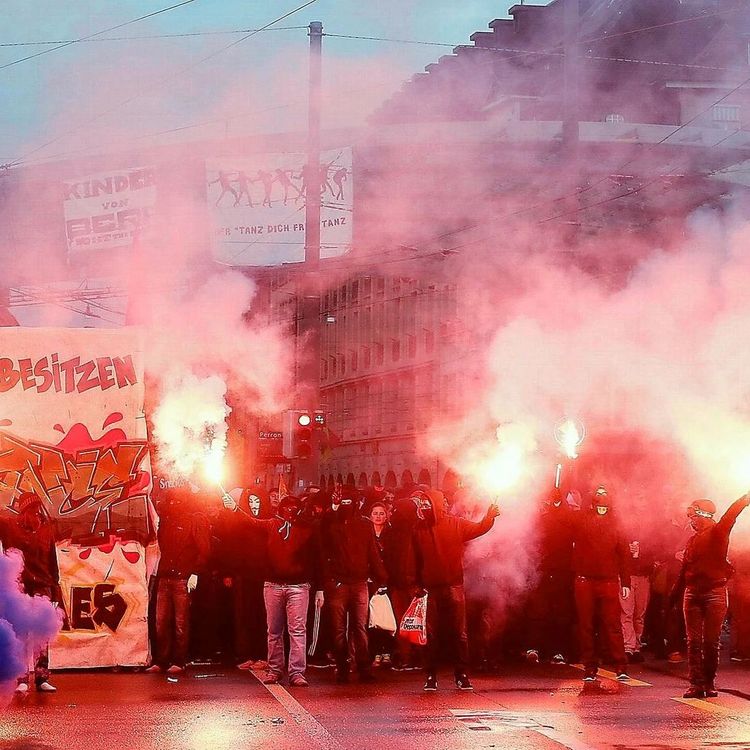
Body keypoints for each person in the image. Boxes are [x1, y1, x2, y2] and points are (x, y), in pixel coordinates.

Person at [222, 492, 323, 687]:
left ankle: (296, 672)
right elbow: (250, 521)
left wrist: (319, 588)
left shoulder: (308, 528)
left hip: (298, 585)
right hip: (274, 584)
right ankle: (276, 670)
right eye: (287, 509)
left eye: (294, 509)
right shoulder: (272, 524)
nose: (290, 512)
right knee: (275, 630)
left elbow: (317, 558)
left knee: (296, 631)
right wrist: (234, 508)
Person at [410, 488, 499, 692]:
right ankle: (430, 675)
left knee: (459, 633)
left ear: (436, 504)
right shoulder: (418, 528)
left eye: (426, 503)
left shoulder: (456, 524)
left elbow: (479, 528)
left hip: (453, 586)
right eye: (422, 504)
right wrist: (415, 584)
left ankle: (461, 674)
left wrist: (490, 516)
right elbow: (414, 558)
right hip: (429, 589)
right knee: (430, 633)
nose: (423, 507)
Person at [672, 493, 750, 699]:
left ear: (703, 515)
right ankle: (696, 684)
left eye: (693, 516)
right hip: (692, 593)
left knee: (710, 642)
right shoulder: (692, 541)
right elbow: (684, 571)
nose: (691, 521)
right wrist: (674, 595)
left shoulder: (718, 533)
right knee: (694, 642)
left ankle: (708, 682)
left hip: (714, 593)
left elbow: (731, 514)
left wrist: (745, 498)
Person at [322, 487, 387, 683]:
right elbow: (322, 535)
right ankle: (343, 667)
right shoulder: (333, 523)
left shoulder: (364, 524)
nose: (345, 506)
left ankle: (362, 667)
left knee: (359, 627)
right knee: (341, 628)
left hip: (358, 582)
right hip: (340, 582)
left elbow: (372, 551)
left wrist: (381, 577)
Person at [146, 485, 211, 675]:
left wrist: (195, 572)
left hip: (182, 577)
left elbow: (204, 549)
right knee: (161, 622)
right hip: (166, 576)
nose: (174, 504)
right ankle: (162, 660)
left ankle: (179, 660)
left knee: (180, 623)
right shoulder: (167, 520)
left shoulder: (194, 520)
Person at [0, 492, 59, 693]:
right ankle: (21, 678)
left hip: (43, 585)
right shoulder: (9, 527)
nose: (35, 513)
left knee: (43, 634)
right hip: (20, 587)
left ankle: (42, 678)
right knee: (21, 633)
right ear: (22, 511)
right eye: (31, 510)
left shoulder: (46, 530)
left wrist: (55, 588)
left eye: (37, 509)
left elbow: (52, 561)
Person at [571, 485, 631, 683]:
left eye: (605, 505)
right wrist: (558, 500)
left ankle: (620, 665)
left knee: (612, 624)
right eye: (599, 504)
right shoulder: (582, 520)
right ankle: (590, 667)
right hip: (585, 579)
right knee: (586, 625)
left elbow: (624, 553)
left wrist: (626, 581)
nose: (602, 509)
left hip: (608, 580)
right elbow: (563, 517)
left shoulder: (617, 524)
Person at [525, 488, 576, 665]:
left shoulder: (560, 519)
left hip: (554, 570)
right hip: (549, 570)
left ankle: (549, 649)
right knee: (546, 612)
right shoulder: (560, 519)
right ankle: (545, 649)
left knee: (553, 612)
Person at [368, 501, 395, 667]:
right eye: (375, 513)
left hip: (388, 581)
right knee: (372, 619)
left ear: (386, 516)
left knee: (387, 618)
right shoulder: (366, 533)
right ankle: (375, 652)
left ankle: (388, 652)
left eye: (381, 513)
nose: (378, 516)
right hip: (370, 581)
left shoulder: (391, 534)